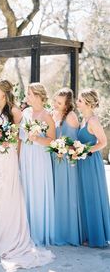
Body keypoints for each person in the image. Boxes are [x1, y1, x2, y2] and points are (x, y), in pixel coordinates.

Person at [0, 80, 54, 271]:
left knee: (8, 193)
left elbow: (18, 137)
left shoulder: (15, 111)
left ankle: (8, 233)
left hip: (6, 156)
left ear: (4, 92)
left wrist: (15, 156)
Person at [19, 82, 55, 246]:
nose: (27, 97)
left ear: (39, 96)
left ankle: (40, 232)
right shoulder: (25, 112)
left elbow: (52, 141)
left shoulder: (47, 116)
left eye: (30, 94)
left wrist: (37, 139)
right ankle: (28, 231)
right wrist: (18, 159)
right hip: (26, 155)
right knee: (27, 190)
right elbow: (21, 138)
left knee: (38, 190)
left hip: (40, 157)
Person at [77, 88, 110, 247]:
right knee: (85, 195)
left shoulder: (93, 121)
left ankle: (96, 237)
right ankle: (89, 234)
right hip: (83, 161)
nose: (77, 103)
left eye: (80, 101)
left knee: (92, 195)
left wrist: (84, 150)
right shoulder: (83, 119)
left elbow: (103, 142)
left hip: (91, 161)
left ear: (88, 103)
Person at [52, 88, 82, 246]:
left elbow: (76, 144)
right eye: (55, 101)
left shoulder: (71, 117)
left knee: (68, 194)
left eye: (59, 103)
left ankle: (69, 233)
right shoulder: (55, 113)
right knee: (58, 194)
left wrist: (64, 149)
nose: (56, 104)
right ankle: (59, 230)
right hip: (56, 159)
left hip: (68, 162)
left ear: (67, 104)